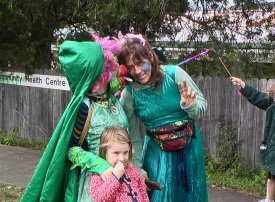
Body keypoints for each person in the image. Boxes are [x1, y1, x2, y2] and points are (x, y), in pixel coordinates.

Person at [20, 33, 144, 202]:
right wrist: (101, 166)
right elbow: (71, 150)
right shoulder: (84, 107)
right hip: (98, 182)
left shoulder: (112, 99)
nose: (110, 72)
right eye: (104, 69)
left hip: (124, 177)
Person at [117, 33, 209, 202]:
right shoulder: (129, 95)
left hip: (189, 150)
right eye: (130, 67)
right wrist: (139, 171)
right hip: (157, 157)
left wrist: (190, 105)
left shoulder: (174, 74)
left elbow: (201, 108)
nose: (137, 71)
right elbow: (131, 138)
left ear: (151, 56)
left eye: (139, 63)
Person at [231, 77, 275, 202]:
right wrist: (243, 85)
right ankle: (269, 200)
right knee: (271, 178)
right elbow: (257, 97)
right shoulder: (271, 104)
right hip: (273, 151)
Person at [90, 126, 149, 202]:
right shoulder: (99, 175)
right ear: (105, 152)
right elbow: (100, 199)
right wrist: (115, 177)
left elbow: (143, 194)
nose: (122, 158)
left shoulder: (132, 169)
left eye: (125, 152)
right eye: (116, 153)